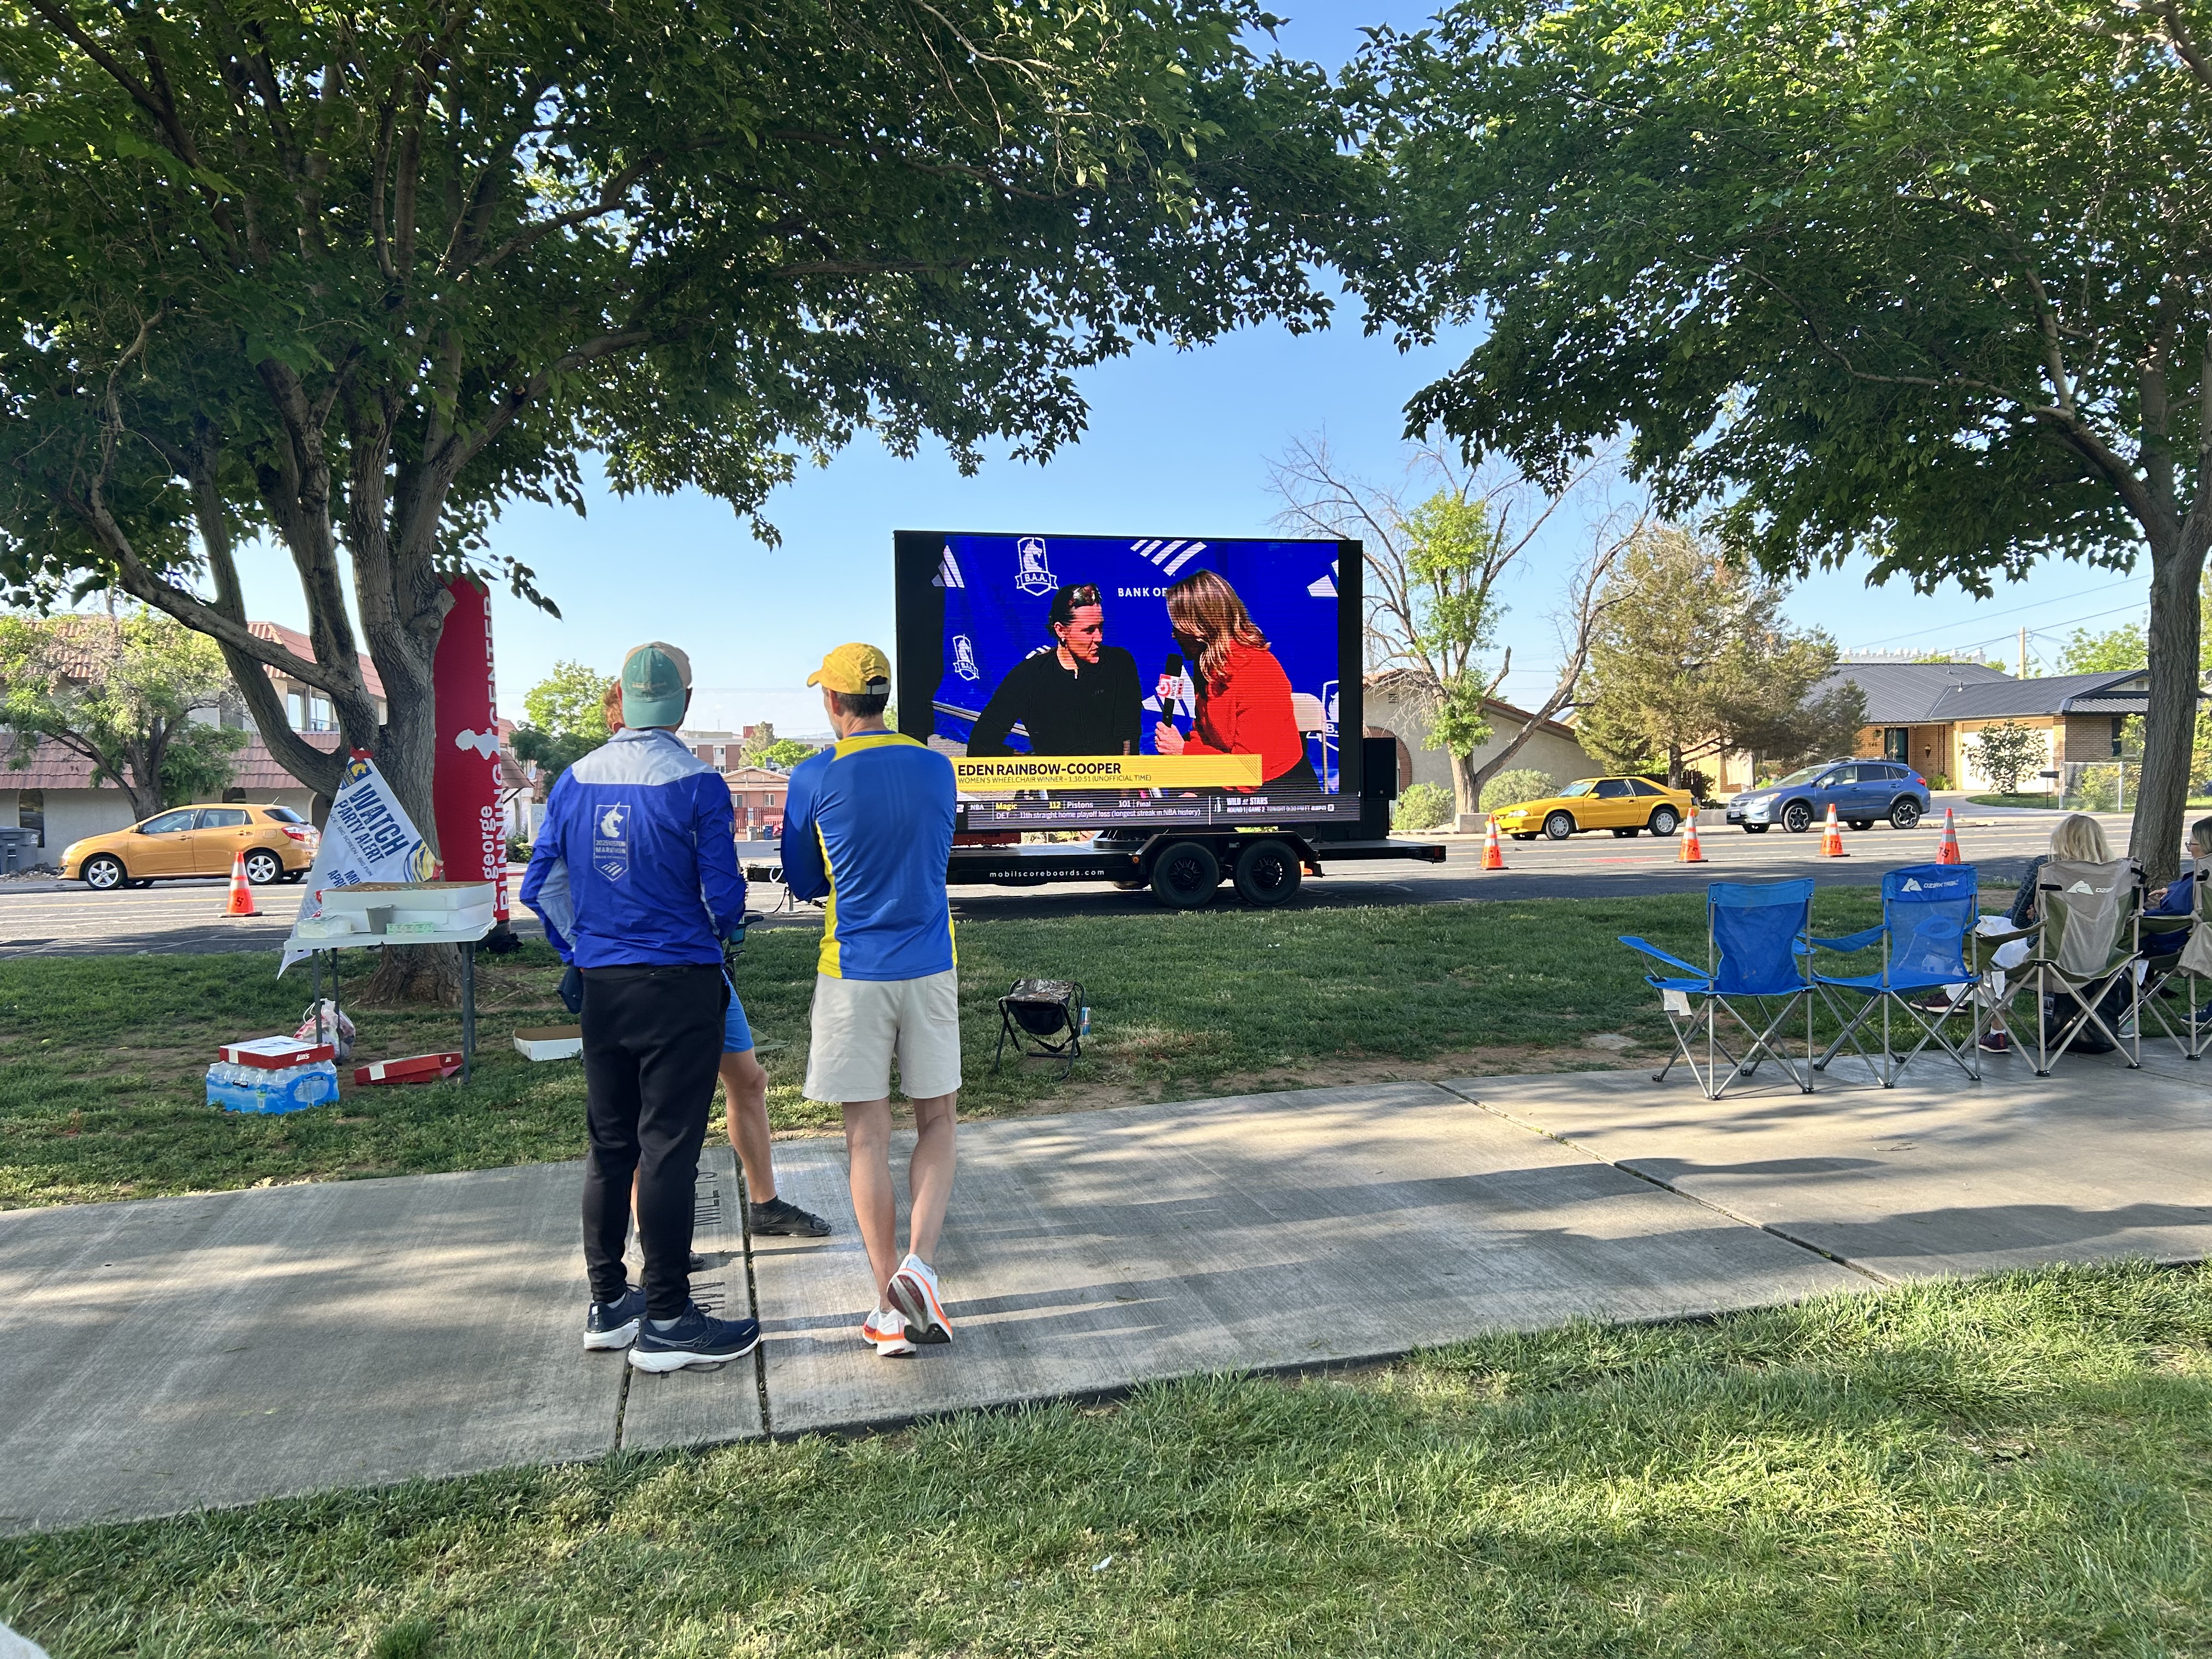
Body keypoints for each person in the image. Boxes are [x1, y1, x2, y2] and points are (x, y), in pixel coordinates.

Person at [521, 641, 762, 1373]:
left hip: (603, 986)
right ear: (684, 704)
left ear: (620, 699)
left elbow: (542, 885)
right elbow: (724, 899)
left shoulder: (571, 780)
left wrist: (580, 951)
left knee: (611, 1144)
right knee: (668, 1149)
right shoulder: (697, 784)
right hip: (679, 984)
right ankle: (667, 1317)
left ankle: (608, 1303)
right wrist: (720, 928)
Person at [780, 643, 961, 1359]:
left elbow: (803, 876)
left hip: (852, 967)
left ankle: (889, 1304)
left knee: (867, 1136)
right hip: (929, 962)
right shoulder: (937, 765)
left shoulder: (814, 774)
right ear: (883, 697)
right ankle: (920, 1264)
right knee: (938, 1119)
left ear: (832, 702)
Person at [1150, 568, 1317, 788]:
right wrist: (1193, 788)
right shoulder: (1208, 664)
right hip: (1229, 780)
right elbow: (1205, 733)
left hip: (1281, 791)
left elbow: (1249, 772)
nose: (1174, 634)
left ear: (1202, 626)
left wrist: (1183, 751)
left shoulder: (1258, 672)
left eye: (1179, 627)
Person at [1985, 811, 2120, 1054]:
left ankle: (1993, 1028)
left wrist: (2036, 915)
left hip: (2047, 962)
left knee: (1984, 941)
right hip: (2100, 963)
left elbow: (2017, 919)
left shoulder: (2045, 866)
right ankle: (1969, 1010)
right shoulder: (2116, 875)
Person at [965, 583, 1143, 758]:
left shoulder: (1119, 663)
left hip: (1112, 782)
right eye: (1089, 631)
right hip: (1056, 784)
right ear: (1061, 631)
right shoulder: (1029, 676)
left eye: (1101, 627)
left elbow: (1129, 737)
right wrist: (1035, 766)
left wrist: (1126, 784)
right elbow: (981, 745)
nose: (1099, 637)